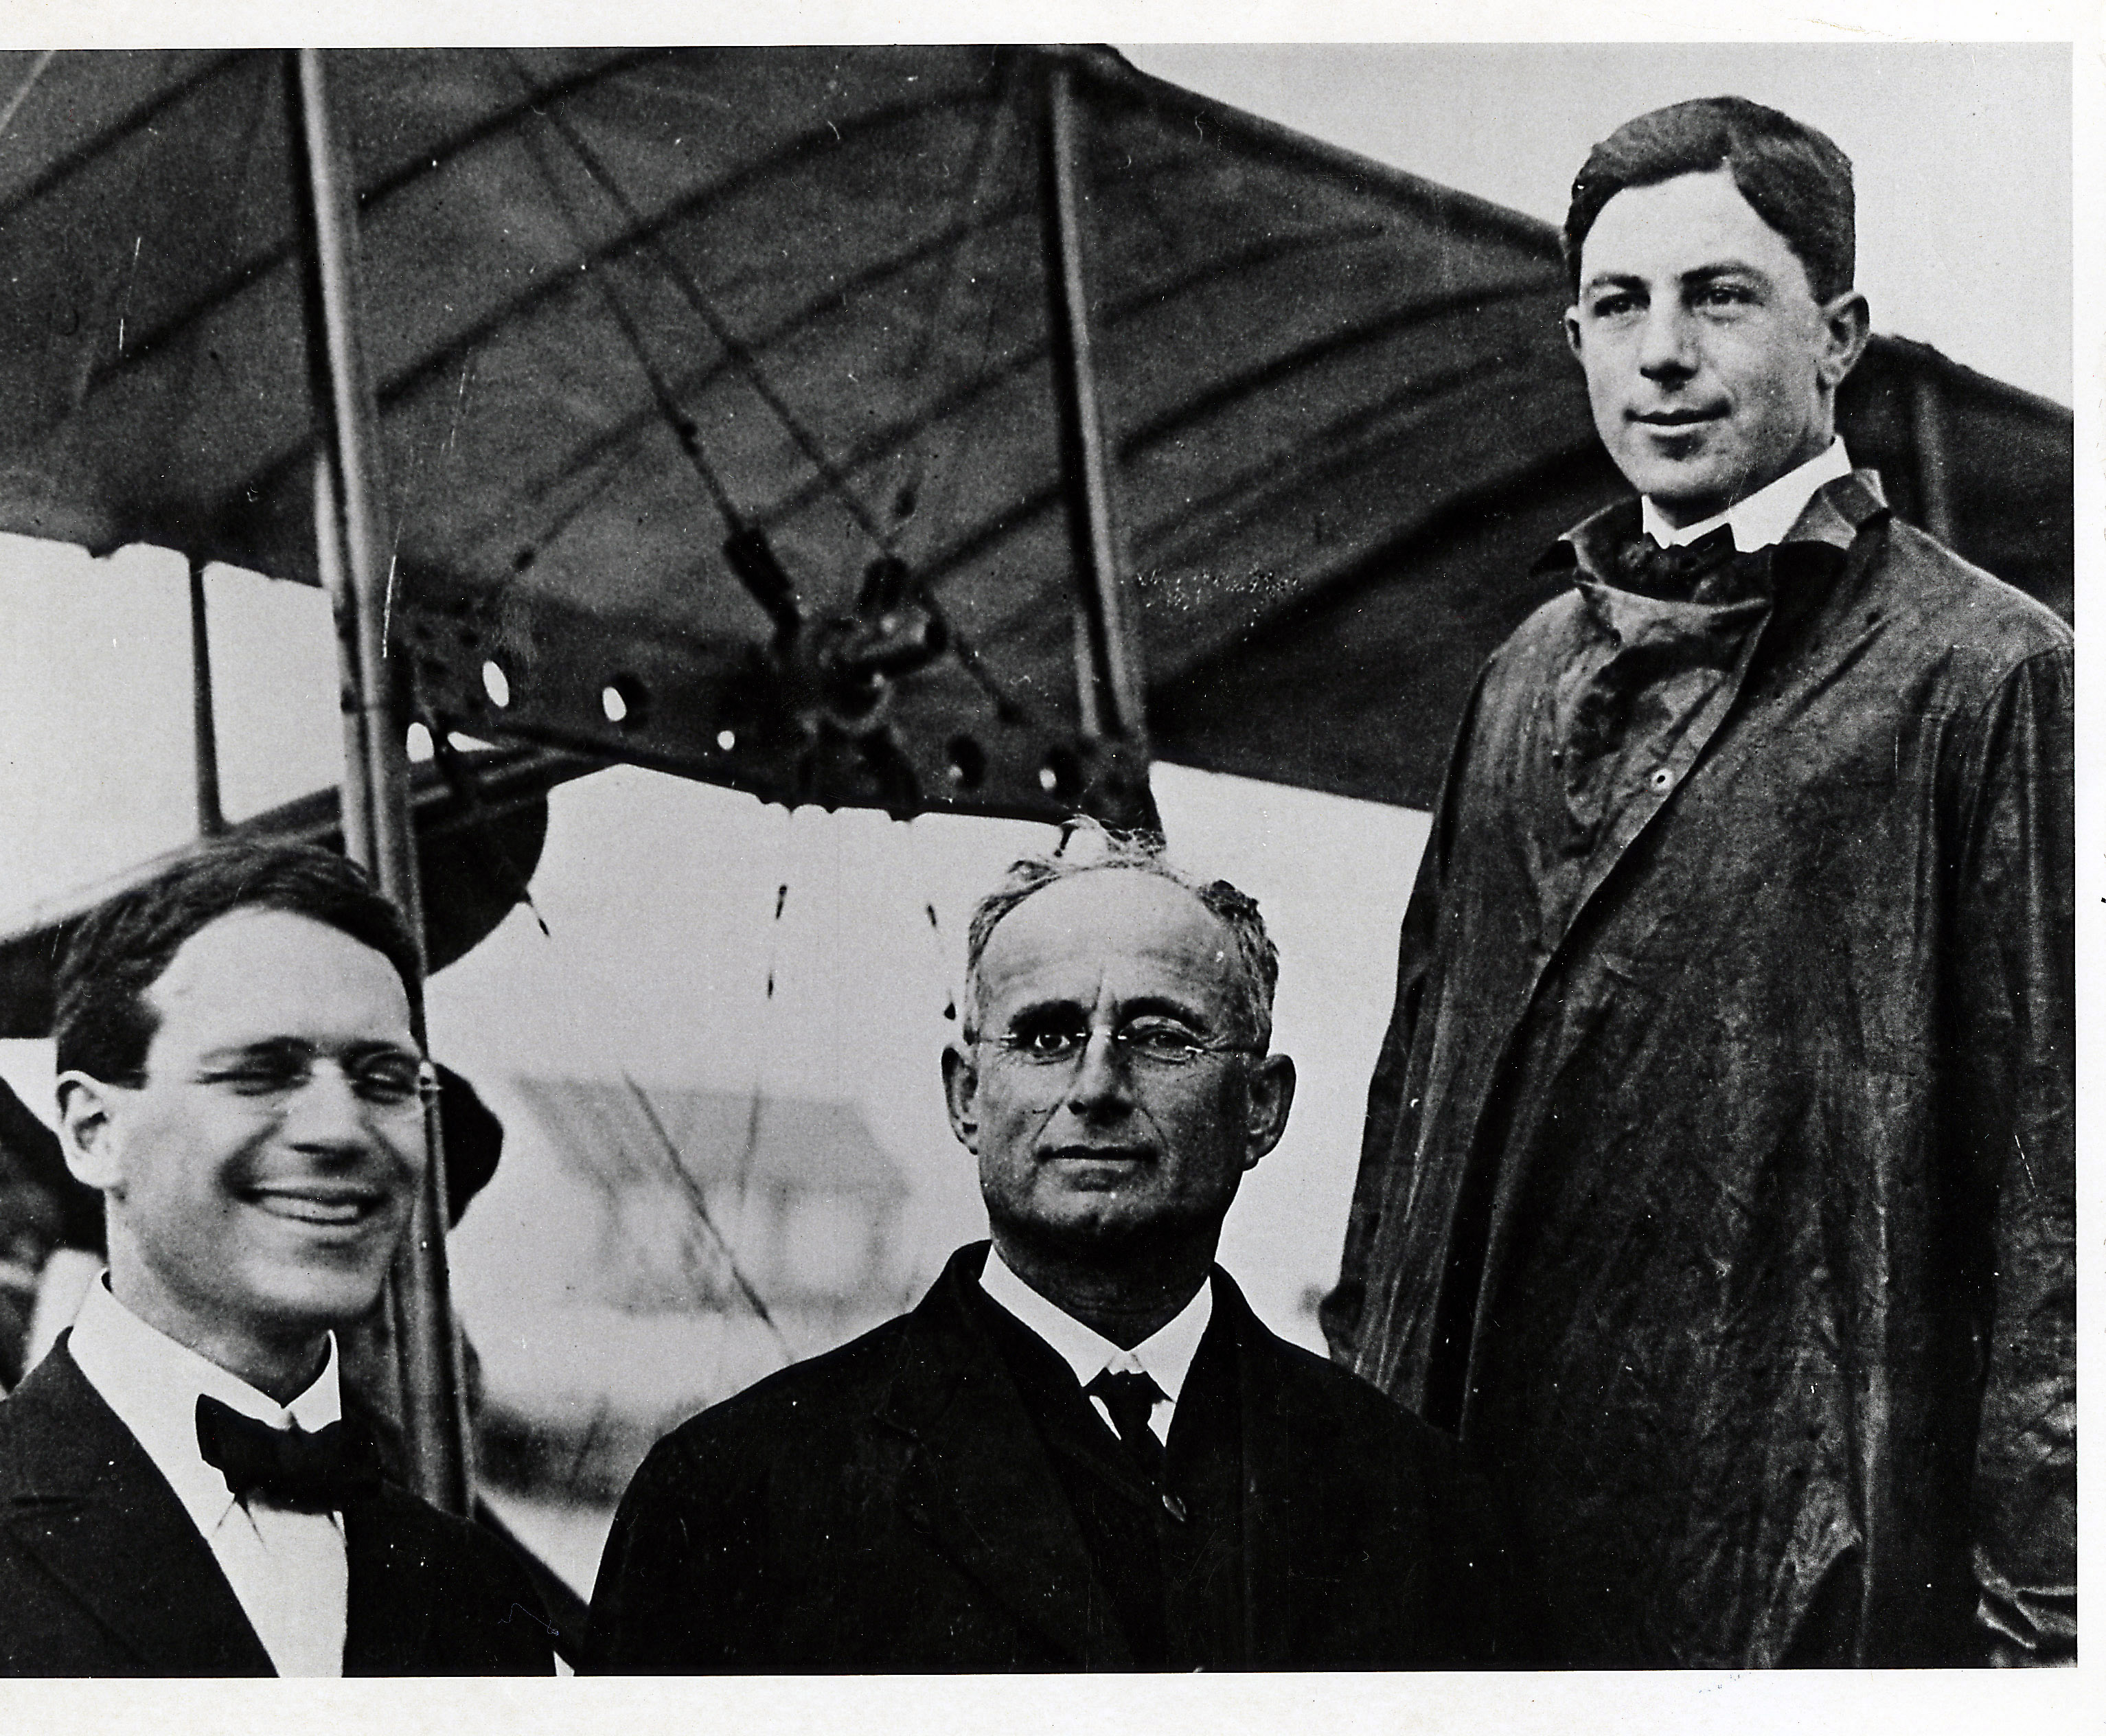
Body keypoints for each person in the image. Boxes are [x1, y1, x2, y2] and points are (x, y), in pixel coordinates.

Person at [1322, 97, 2072, 1667]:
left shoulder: (1985, 674)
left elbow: (2058, 1210)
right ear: (1576, 337)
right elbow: (1405, 1138)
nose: (1661, 352)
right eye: (1618, 305)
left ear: (1841, 333)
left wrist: (2040, 1645)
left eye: (1719, 295)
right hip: (1475, 1566)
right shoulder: (1523, 677)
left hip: (1798, 1593)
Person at [588, 824, 1518, 1672]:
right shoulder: (730, 1498)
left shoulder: (1421, 1507)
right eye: (1044, 1035)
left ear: (1262, 1108)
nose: (1097, 1085)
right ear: (965, 1095)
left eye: (1161, 1037)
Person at [0, 841, 556, 1677]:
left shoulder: (479, 1598)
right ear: (92, 1131)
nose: (340, 1129)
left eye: (383, 1078)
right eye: (259, 1072)